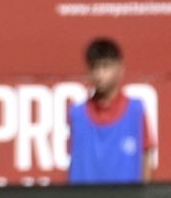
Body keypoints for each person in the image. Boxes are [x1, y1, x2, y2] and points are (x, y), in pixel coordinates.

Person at [67, 37, 156, 184]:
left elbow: (146, 157)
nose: (99, 74)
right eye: (94, 67)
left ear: (120, 68)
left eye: (105, 66)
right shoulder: (77, 114)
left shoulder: (136, 111)